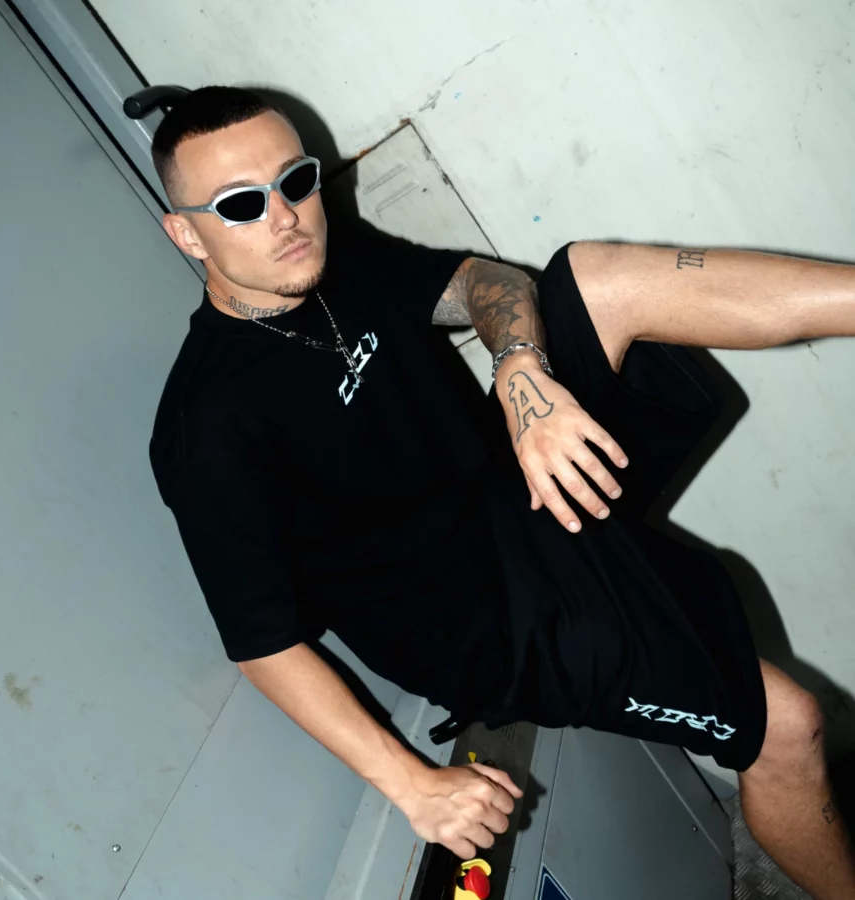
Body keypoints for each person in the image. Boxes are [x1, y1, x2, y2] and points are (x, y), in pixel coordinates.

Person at [148, 85, 855, 898]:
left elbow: (487, 281)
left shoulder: (331, 263)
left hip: (511, 490)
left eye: (295, 181)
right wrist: (411, 784)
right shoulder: (207, 425)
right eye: (240, 203)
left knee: (594, 277)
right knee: (788, 729)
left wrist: (520, 370)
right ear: (186, 233)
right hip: (493, 628)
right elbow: (261, 646)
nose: (285, 217)